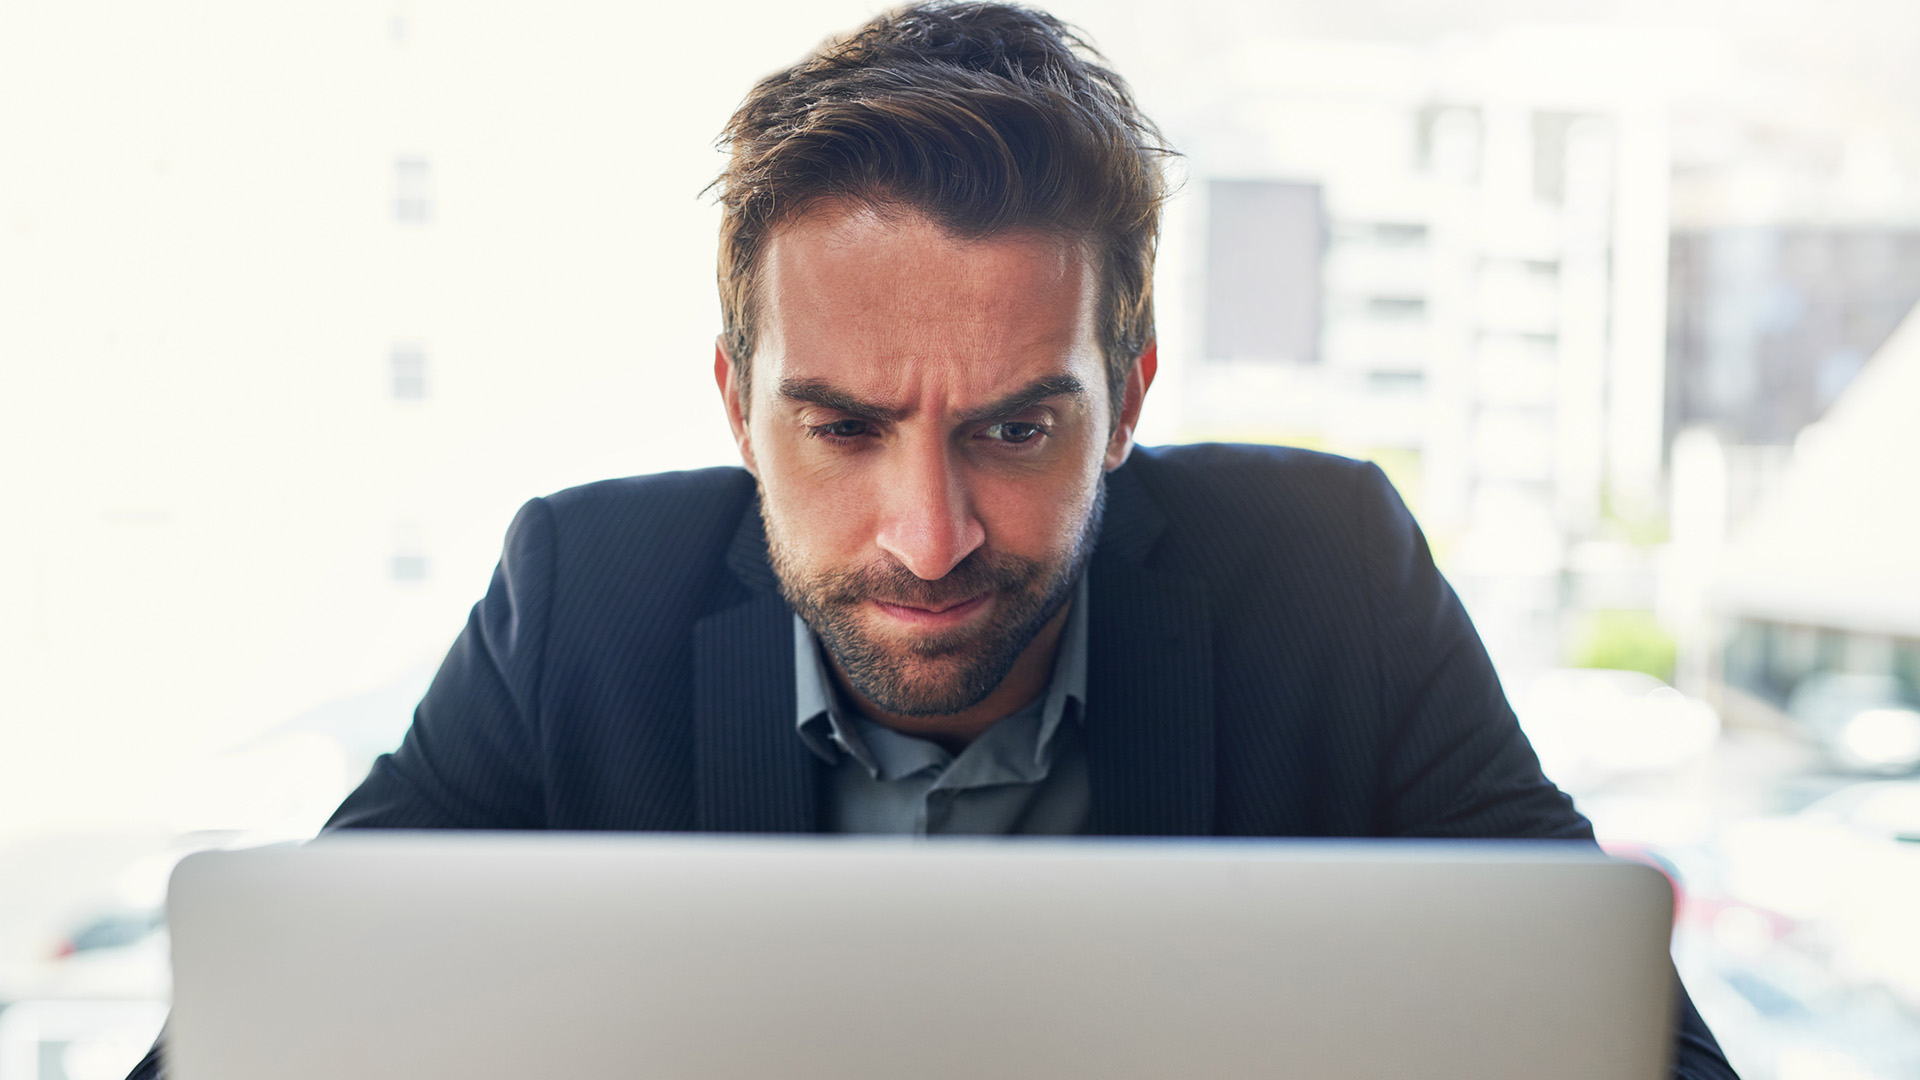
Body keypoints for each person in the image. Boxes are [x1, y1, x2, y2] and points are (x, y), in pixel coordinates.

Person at [129, 3, 1737, 1077]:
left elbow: (1625, 1040)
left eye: (1015, 430)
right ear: (736, 403)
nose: (930, 536)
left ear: (1129, 399)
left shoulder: (1334, 576)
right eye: (841, 429)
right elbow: (271, 1029)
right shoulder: (578, 602)